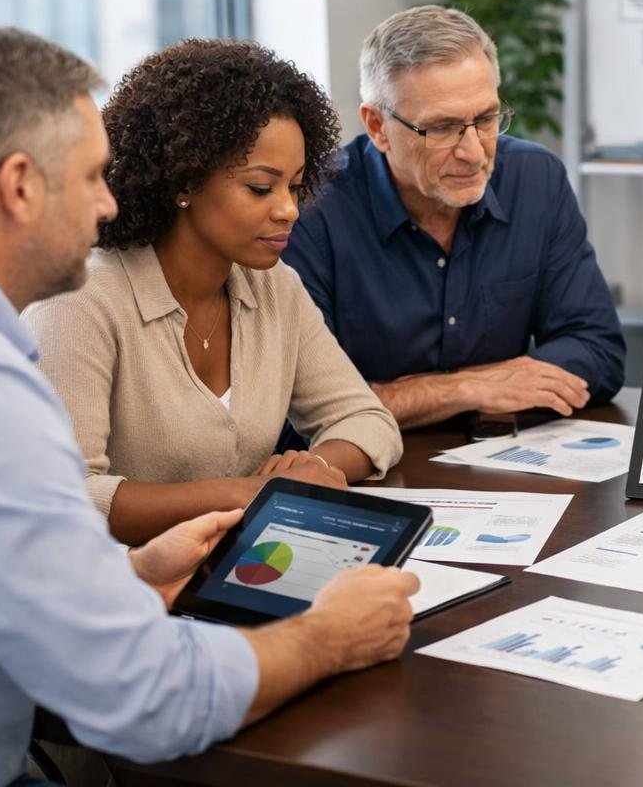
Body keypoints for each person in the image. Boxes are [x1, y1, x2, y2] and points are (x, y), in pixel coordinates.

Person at [0, 21, 418, 787]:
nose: (109, 205)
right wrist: (329, 636)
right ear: (18, 186)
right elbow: (148, 697)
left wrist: (134, 575)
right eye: (88, 178)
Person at [24, 40, 402, 545]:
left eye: (294, 185)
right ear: (185, 180)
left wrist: (308, 471)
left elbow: (367, 420)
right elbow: (71, 497)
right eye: (261, 188)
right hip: (124, 589)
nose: (289, 209)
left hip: (240, 566)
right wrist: (254, 494)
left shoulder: (272, 285)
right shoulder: (80, 300)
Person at [282, 5, 624, 429]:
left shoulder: (535, 179)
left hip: (506, 467)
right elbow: (302, 409)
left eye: (485, 119)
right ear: (376, 127)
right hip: (366, 477)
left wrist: (404, 398)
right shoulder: (311, 207)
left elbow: (599, 352)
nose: (474, 153)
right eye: (441, 128)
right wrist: (466, 389)